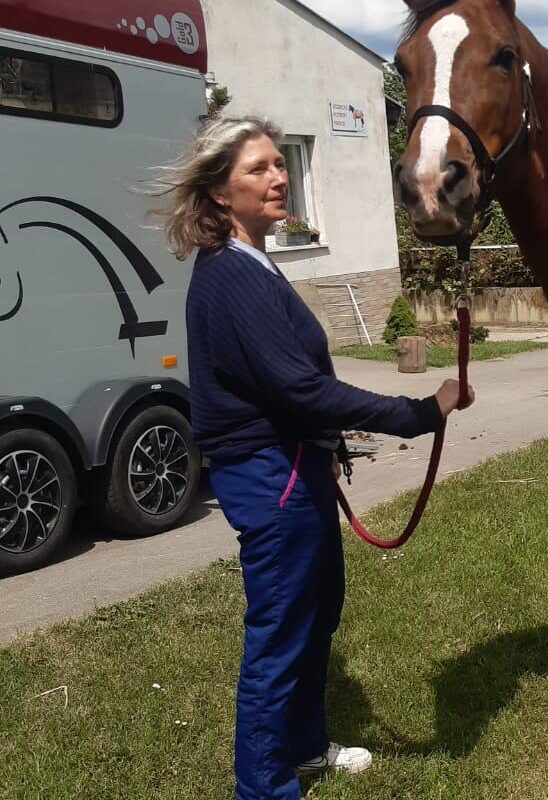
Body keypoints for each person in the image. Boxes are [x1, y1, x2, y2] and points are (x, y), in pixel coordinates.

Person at [157, 116, 474, 800]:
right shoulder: (230, 276)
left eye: (279, 163)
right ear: (219, 194)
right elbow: (300, 387)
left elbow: (286, 390)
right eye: (258, 169)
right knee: (278, 635)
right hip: (268, 476)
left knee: (315, 613)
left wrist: (322, 450)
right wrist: (420, 413)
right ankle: (264, 787)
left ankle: (302, 748)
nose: (278, 176)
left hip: (295, 465)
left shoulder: (250, 262)